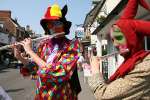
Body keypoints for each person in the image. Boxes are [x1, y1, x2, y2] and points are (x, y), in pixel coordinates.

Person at [12, 3, 81, 99]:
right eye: (49, 24)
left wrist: (30, 51)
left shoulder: (72, 46)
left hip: (62, 95)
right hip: (42, 96)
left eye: (56, 23)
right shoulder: (44, 44)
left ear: (63, 24)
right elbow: (36, 68)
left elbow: (57, 73)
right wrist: (19, 56)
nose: (53, 27)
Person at [88, 0, 150, 99]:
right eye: (113, 40)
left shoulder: (145, 66)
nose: (116, 44)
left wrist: (95, 71)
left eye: (119, 38)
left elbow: (103, 95)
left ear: (131, 37)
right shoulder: (131, 61)